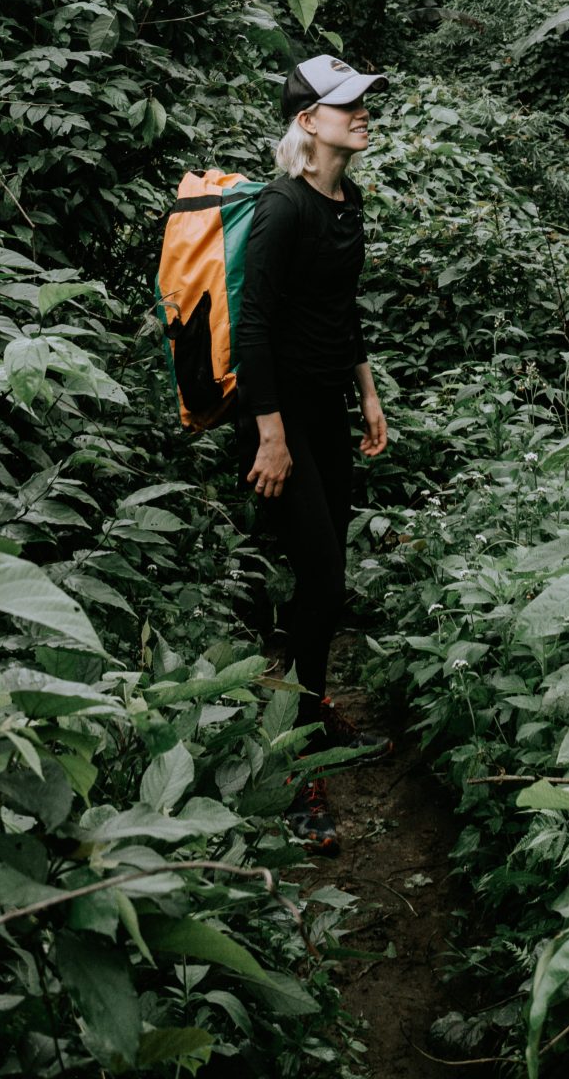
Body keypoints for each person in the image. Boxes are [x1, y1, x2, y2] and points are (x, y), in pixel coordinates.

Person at [236, 53, 390, 855]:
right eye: (347, 105)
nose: (363, 113)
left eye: (364, 102)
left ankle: (304, 691)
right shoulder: (282, 209)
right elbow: (252, 324)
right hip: (281, 417)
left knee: (324, 580)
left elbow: (343, 306)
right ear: (308, 122)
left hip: (329, 410)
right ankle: (297, 768)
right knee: (324, 576)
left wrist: (367, 392)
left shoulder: (345, 201)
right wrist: (271, 434)